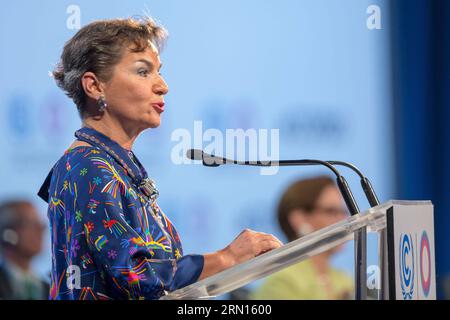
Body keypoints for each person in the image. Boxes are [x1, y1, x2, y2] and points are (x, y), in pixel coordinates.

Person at [38, 17, 282, 300]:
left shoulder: (112, 164)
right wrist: (227, 257)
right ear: (94, 86)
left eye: (159, 73)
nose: (163, 86)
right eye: (143, 72)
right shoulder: (89, 166)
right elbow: (135, 273)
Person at [251, 176, 353, 300]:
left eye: (343, 212)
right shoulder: (282, 281)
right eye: (331, 211)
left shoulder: (344, 279)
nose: (342, 220)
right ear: (300, 219)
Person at [0, 200, 49, 300]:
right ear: (7, 233)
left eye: (40, 224)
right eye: (31, 223)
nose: (40, 229)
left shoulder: (50, 290)